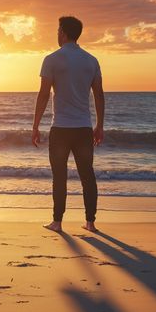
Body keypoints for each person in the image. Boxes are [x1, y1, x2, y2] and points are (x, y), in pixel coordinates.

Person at [31, 16, 104, 232]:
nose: (56, 34)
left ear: (62, 32)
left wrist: (35, 125)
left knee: (59, 176)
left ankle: (57, 222)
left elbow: (44, 94)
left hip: (61, 128)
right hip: (83, 128)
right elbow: (99, 95)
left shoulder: (52, 59)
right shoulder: (91, 60)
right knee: (87, 175)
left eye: (57, 30)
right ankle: (90, 222)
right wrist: (100, 125)